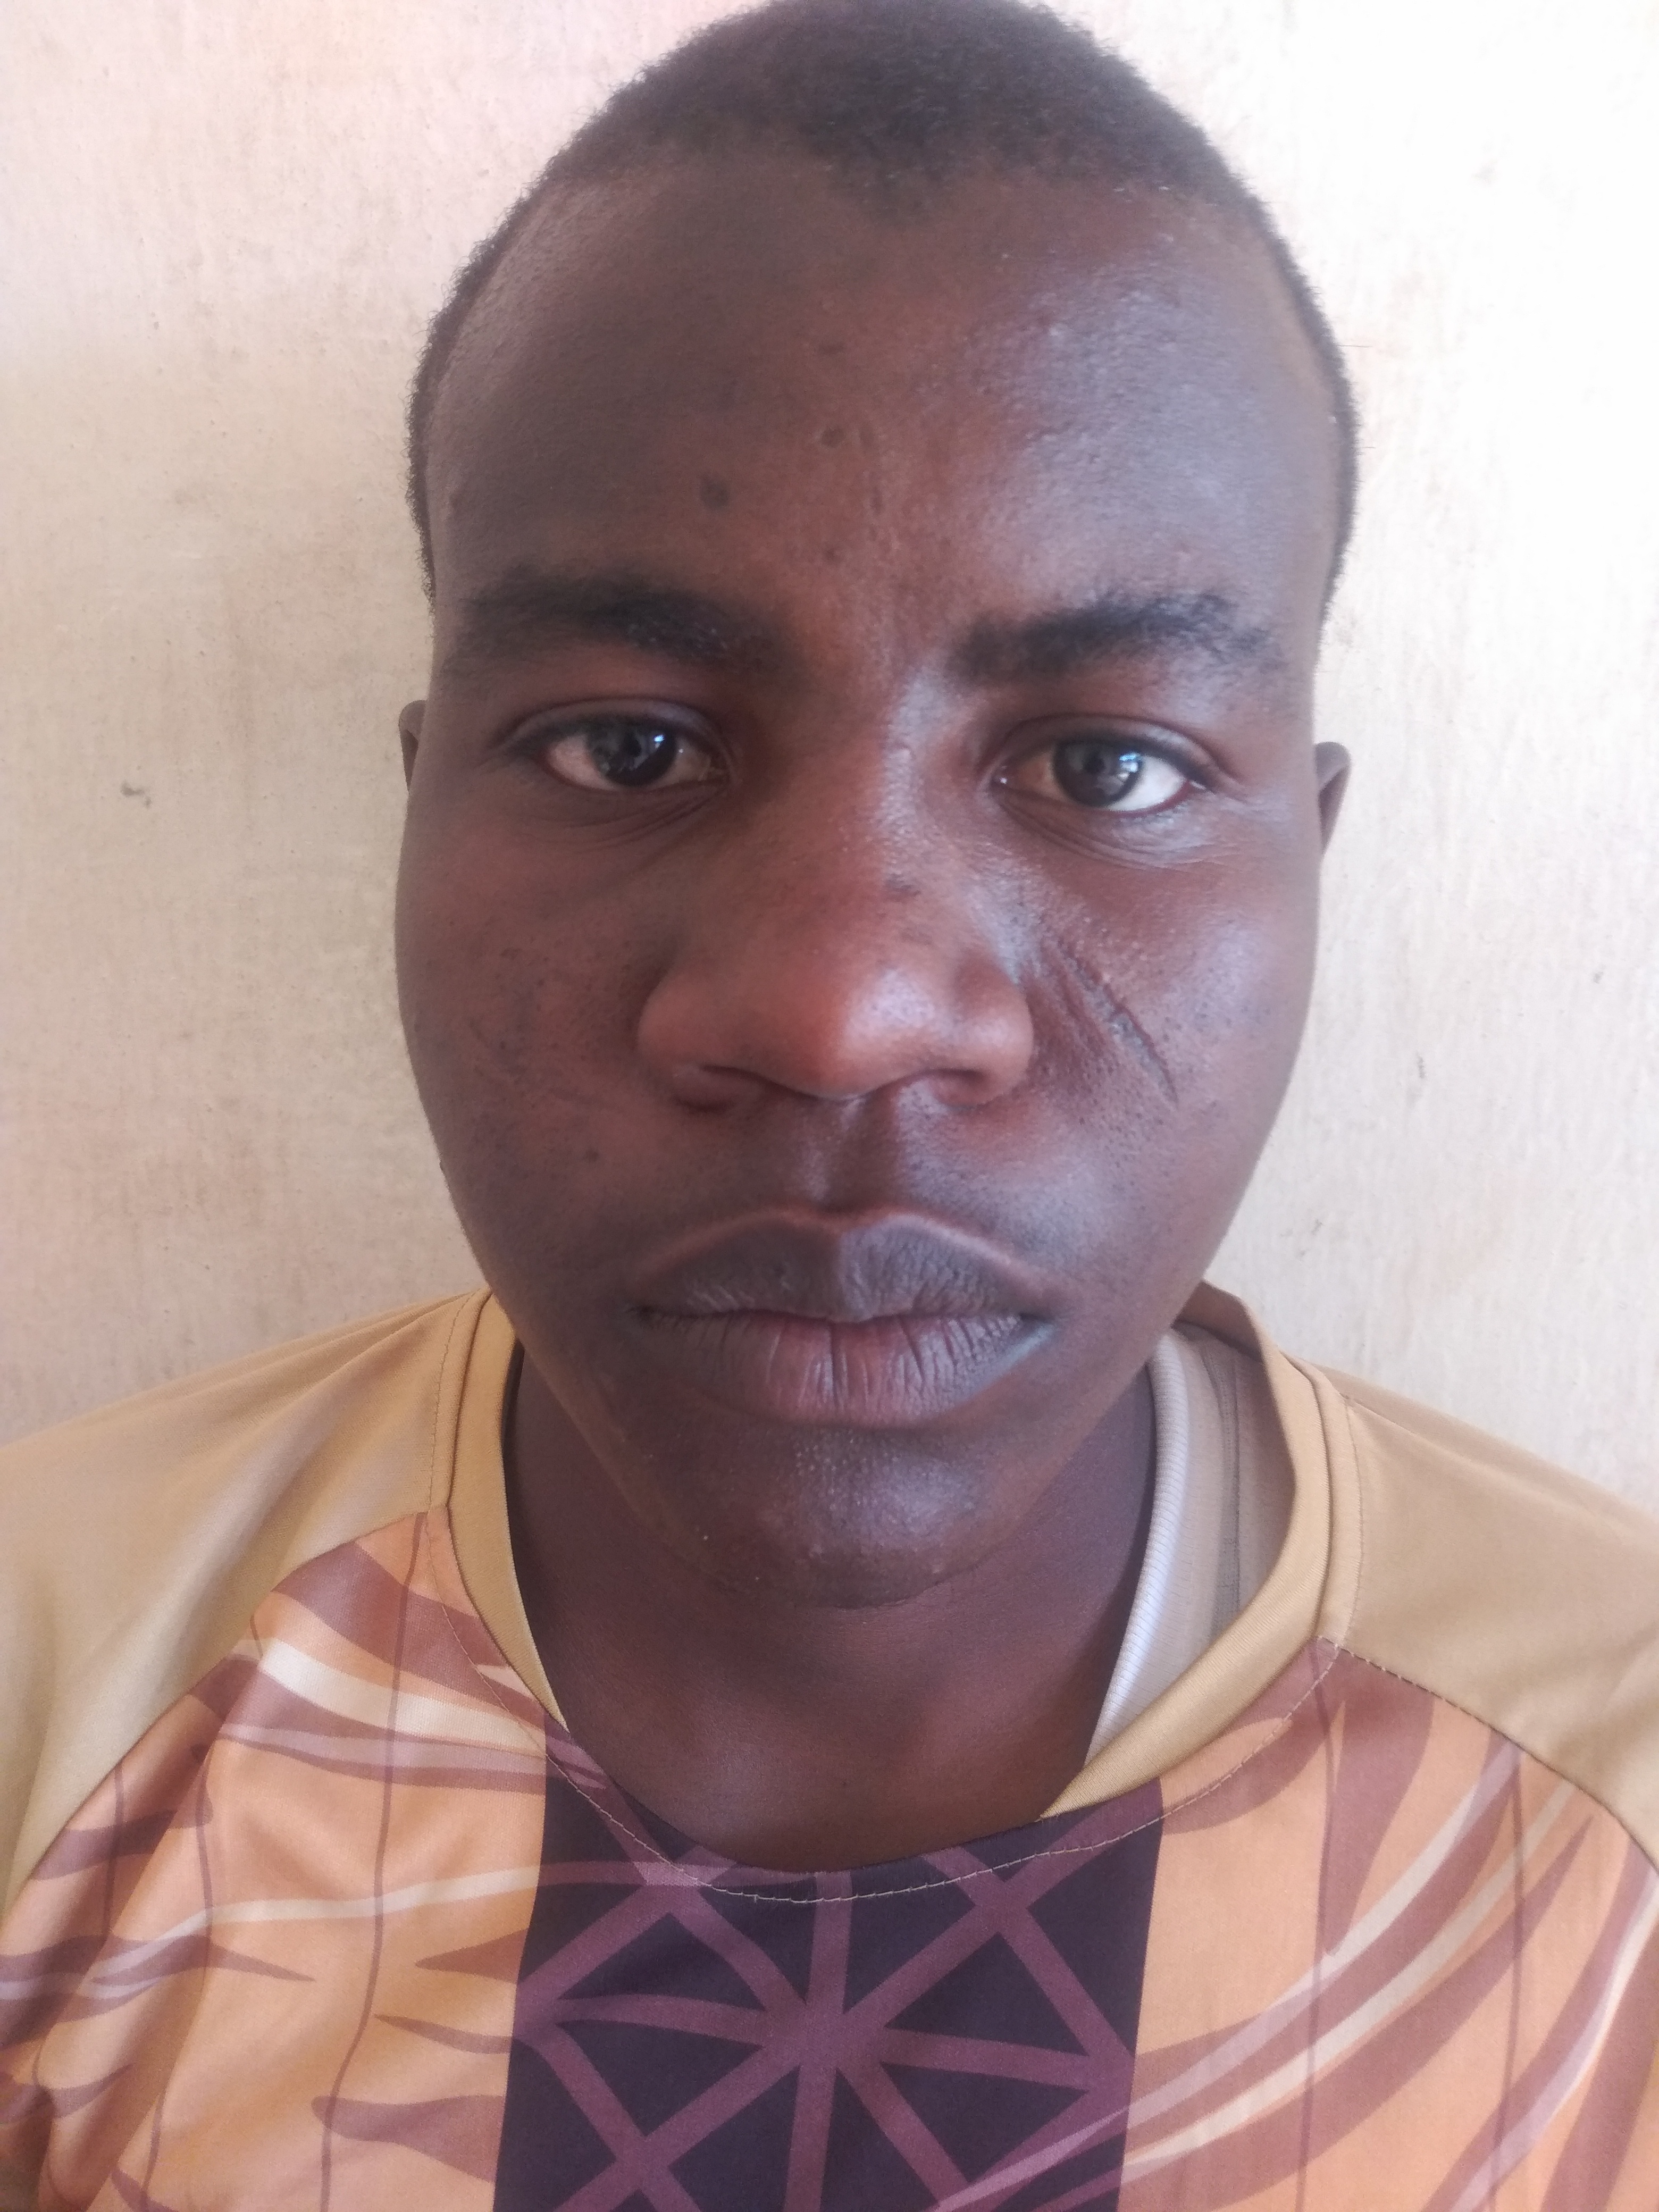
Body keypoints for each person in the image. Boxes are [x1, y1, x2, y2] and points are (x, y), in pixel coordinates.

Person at [2, 0, 1655, 2203]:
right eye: (628, 747)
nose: (842, 1010)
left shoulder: (1610, 1811)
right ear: (421, 808)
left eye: (1107, 766)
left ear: (1311, 861)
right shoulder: (48, 1688)